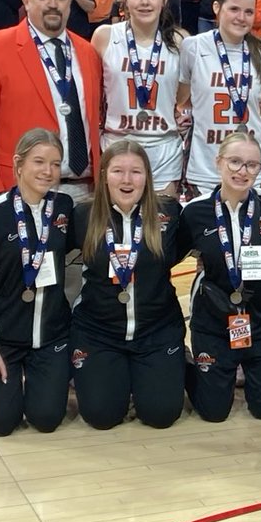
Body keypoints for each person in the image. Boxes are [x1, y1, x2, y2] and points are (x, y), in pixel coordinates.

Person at [70, 140, 187, 429]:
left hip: (157, 331)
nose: (126, 180)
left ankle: (176, 367)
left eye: (135, 172)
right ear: (103, 176)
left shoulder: (169, 213)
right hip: (99, 333)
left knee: (162, 416)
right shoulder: (82, 216)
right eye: (117, 171)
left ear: (147, 177)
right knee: (100, 417)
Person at [179, 130, 261, 422]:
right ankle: (183, 362)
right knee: (213, 412)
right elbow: (167, 257)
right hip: (215, 321)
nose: (242, 171)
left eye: (252, 165)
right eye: (234, 162)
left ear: (260, 168)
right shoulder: (194, 212)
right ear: (218, 162)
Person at [0, 128, 74, 437]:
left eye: (55, 164)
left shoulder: (64, 208)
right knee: (1, 425)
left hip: (50, 338)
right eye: (39, 162)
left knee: (47, 420)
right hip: (3, 341)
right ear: (19, 164)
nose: (48, 171)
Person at [0, 0, 102, 201]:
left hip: (86, 191)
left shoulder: (87, 52)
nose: (53, 4)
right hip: (19, 190)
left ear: (69, 1)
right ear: (26, 2)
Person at [92, 0, 186, 193]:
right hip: (117, 144)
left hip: (163, 145)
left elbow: (181, 95)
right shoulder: (104, 36)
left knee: (162, 225)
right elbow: (95, 93)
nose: (144, 2)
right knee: (115, 225)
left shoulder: (181, 40)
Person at [177, 0, 261, 194]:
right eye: (234, 9)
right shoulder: (193, 46)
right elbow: (182, 100)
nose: (242, 17)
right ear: (217, 7)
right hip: (205, 165)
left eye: (248, 11)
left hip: (251, 169)